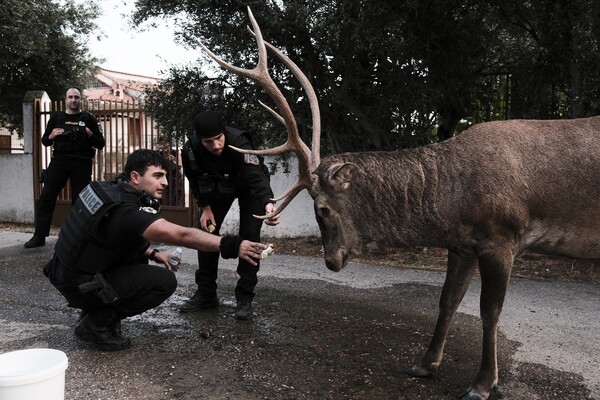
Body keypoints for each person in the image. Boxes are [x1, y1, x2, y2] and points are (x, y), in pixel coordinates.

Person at [43, 149, 267, 351]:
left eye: (165, 176)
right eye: (157, 176)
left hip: (67, 273)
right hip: (80, 283)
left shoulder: (108, 191)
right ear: (135, 177)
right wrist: (233, 245)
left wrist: (154, 254)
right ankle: (96, 323)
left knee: (140, 262)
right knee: (164, 282)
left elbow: (111, 239)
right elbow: (183, 235)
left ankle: (93, 310)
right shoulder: (127, 210)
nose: (165, 183)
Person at [180, 110, 280, 320]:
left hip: (249, 189)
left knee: (250, 236)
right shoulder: (190, 149)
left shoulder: (240, 142)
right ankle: (206, 294)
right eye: (209, 142)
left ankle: (245, 297)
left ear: (224, 132)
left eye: (219, 138)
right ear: (200, 140)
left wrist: (268, 204)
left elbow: (256, 177)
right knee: (207, 234)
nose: (216, 146)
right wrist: (204, 206)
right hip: (219, 188)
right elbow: (194, 178)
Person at [25, 87, 105, 248]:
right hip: (59, 162)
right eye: (70, 97)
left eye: (76, 97)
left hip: (81, 163)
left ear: (80, 99)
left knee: (79, 202)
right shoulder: (56, 118)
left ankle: (76, 238)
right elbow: (45, 141)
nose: (73, 100)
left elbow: (100, 144)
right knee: (46, 198)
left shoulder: (88, 118)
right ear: (66, 99)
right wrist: (52, 135)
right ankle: (39, 236)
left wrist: (90, 134)